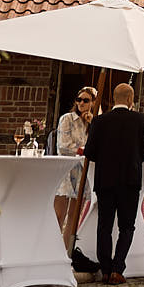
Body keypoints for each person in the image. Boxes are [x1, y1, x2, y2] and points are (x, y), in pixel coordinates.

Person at [86, 83, 144, 285]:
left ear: (114, 99)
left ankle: (105, 269)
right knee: (127, 226)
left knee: (104, 226)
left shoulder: (99, 121)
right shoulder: (140, 119)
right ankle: (118, 268)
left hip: (105, 179)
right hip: (130, 180)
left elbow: (90, 152)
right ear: (130, 99)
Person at [53, 86, 98, 237]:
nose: (81, 103)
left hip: (82, 172)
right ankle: (52, 245)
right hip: (66, 171)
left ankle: (67, 248)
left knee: (74, 217)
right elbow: (63, 145)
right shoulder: (67, 119)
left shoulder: (93, 123)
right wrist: (84, 151)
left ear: (93, 103)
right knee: (59, 215)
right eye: (79, 100)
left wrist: (93, 123)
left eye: (86, 100)